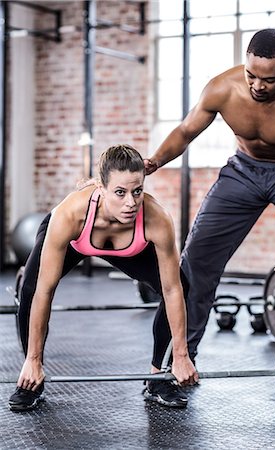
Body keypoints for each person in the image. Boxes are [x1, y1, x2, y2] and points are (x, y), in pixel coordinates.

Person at [144, 28, 275, 366]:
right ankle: (175, 362)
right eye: (251, 75)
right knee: (195, 262)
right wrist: (154, 161)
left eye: (269, 80)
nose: (257, 86)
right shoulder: (222, 88)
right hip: (243, 172)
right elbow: (186, 132)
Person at [8, 144, 198, 412]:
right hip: (77, 241)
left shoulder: (157, 219)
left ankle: (158, 377)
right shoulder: (69, 215)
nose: (130, 203)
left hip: (127, 247)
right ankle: (31, 380)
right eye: (120, 192)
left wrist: (181, 355)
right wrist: (33, 358)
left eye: (137, 191)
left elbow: (171, 290)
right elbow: (45, 292)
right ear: (101, 186)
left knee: (182, 283)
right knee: (32, 287)